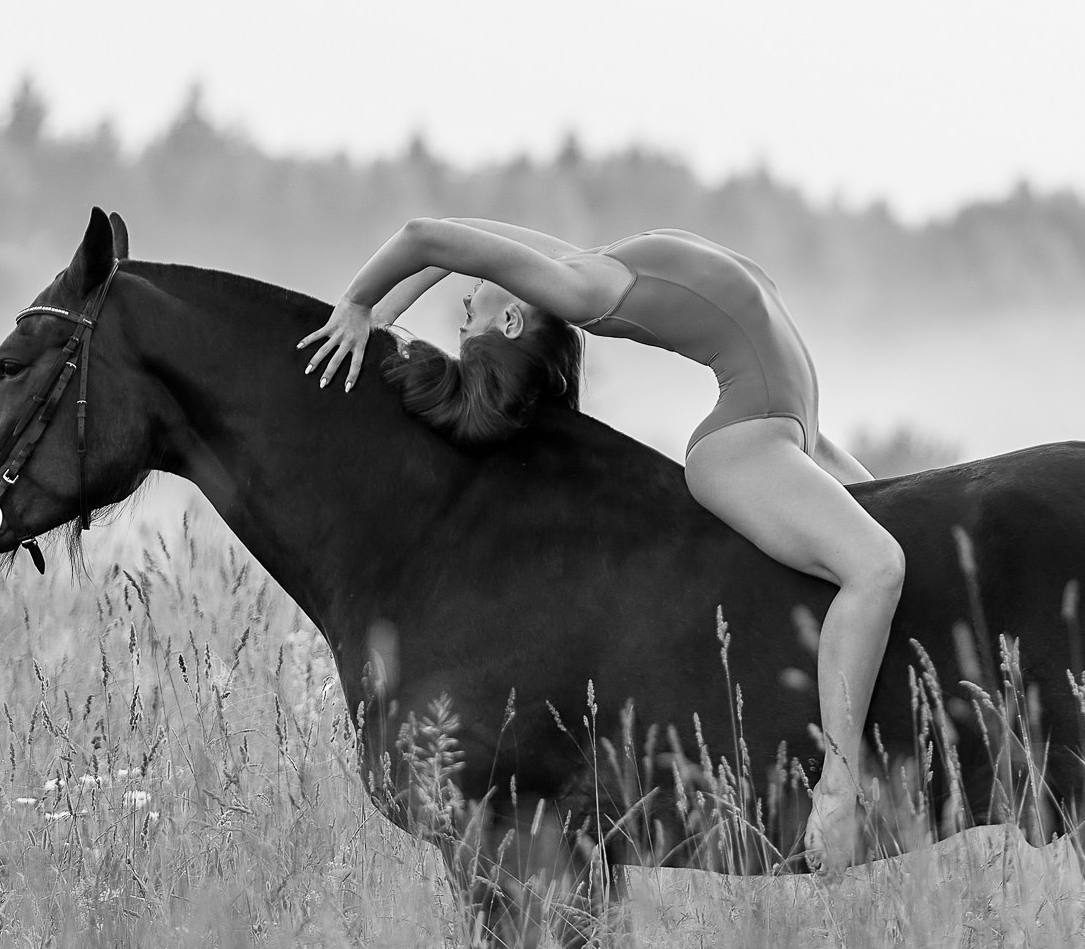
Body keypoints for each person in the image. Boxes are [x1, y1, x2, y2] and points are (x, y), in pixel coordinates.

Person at [298, 219, 904, 874]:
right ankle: (838, 792)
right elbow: (430, 238)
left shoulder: (586, 270)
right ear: (511, 322)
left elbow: (444, 234)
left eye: (465, 316)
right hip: (748, 439)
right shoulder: (581, 288)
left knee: (908, 565)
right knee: (876, 570)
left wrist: (369, 311)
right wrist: (361, 312)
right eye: (470, 319)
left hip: (797, 430)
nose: (465, 306)